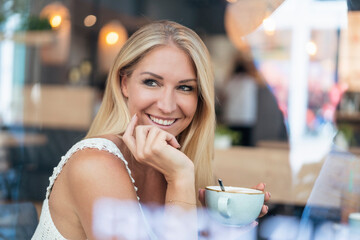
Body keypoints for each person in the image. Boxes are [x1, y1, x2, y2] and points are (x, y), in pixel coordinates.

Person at [32, 20, 270, 239]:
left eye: (185, 88)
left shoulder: (167, 163)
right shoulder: (95, 165)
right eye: (152, 82)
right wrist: (180, 177)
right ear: (124, 84)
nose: (167, 106)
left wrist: (215, 229)